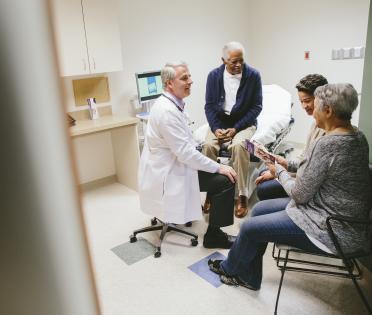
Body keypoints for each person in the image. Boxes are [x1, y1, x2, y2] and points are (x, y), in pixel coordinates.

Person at [207, 83, 370, 290]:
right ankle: (250, 276)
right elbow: (315, 168)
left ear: (328, 111)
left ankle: (231, 269)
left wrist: (278, 172)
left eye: (316, 106)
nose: (312, 113)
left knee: (249, 228)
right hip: (330, 213)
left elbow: (299, 195)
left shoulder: (328, 144)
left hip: (329, 227)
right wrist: (284, 162)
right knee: (258, 209)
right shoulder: (357, 136)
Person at [139, 61, 238, 249]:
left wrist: (200, 149)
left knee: (215, 166)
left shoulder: (172, 104)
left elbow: (184, 141)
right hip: (170, 172)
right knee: (227, 179)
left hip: (168, 164)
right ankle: (214, 237)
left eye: (189, 76)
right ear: (169, 83)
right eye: (185, 78)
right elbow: (185, 154)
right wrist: (219, 167)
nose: (191, 81)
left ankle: (209, 214)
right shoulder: (167, 111)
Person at [202, 41, 262, 218]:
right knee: (207, 146)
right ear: (223, 60)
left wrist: (235, 129)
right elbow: (209, 106)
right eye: (233, 62)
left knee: (238, 146)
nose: (238, 65)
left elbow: (256, 107)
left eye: (241, 61)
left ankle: (242, 194)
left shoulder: (253, 75)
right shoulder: (213, 76)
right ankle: (210, 192)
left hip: (243, 123)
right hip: (219, 123)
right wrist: (215, 128)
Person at [255, 74, 328, 201]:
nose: (304, 106)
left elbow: (308, 176)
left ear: (321, 99)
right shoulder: (315, 124)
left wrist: (280, 173)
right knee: (263, 171)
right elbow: (305, 158)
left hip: (306, 189)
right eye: (301, 101)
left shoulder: (328, 135)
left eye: (307, 100)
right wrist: (283, 163)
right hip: (302, 176)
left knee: (263, 189)